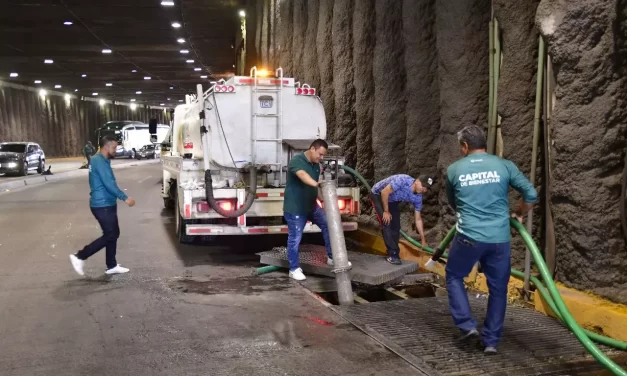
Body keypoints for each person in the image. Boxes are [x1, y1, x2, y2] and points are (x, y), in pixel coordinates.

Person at [444, 125, 537, 354]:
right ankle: (491, 342)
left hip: (469, 237)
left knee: (454, 275)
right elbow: (531, 194)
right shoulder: (504, 165)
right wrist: (520, 212)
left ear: (464, 146)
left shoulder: (454, 169)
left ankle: (467, 326)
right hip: (499, 239)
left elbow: (453, 202)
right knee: (498, 290)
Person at [282, 139, 350, 281]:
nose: (321, 158)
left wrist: (324, 200)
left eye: (323, 155)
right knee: (295, 238)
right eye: (320, 154)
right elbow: (302, 176)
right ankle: (293, 269)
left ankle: (332, 257)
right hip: (296, 208)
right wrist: (317, 183)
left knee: (328, 224)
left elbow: (315, 188)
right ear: (312, 149)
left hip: (311, 206)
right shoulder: (297, 161)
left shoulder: (316, 166)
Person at [70, 136, 136, 276]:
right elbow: (109, 184)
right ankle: (80, 256)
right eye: (114, 148)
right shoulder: (99, 161)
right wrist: (125, 198)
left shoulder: (100, 160)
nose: (115, 150)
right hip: (102, 205)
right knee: (110, 234)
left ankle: (111, 265)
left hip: (107, 203)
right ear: (106, 147)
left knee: (113, 234)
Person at [370, 174, 433, 265]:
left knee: (396, 227)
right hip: (378, 195)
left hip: (392, 201)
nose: (424, 189)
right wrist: (386, 212)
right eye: (423, 186)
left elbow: (418, 219)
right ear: (417, 181)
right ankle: (393, 254)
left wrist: (423, 239)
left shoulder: (418, 198)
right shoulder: (402, 180)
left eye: (426, 188)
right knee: (387, 222)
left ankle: (394, 253)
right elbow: (384, 192)